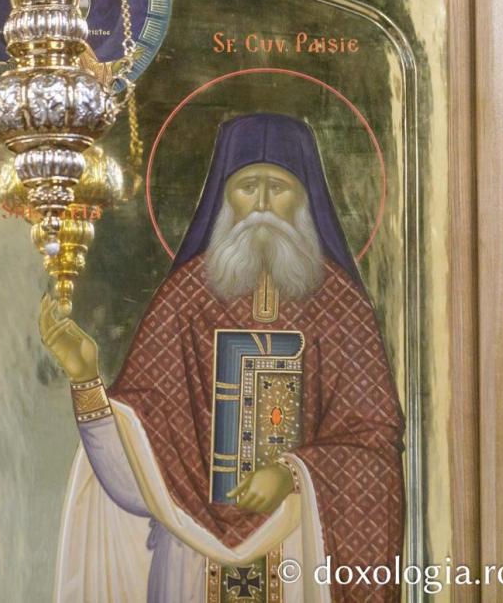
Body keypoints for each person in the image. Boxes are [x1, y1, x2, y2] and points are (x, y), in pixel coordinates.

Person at [43, 113, 405, 602]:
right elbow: (139, 461)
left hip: (299, 547)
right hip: (192, 555)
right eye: (247, 187)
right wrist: (86, 377)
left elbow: (374, 441)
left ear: (305, 199)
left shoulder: (340, 304)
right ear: (224, 197)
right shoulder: (184, 299)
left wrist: (294, 473)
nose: (262, 204)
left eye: (278, 187)